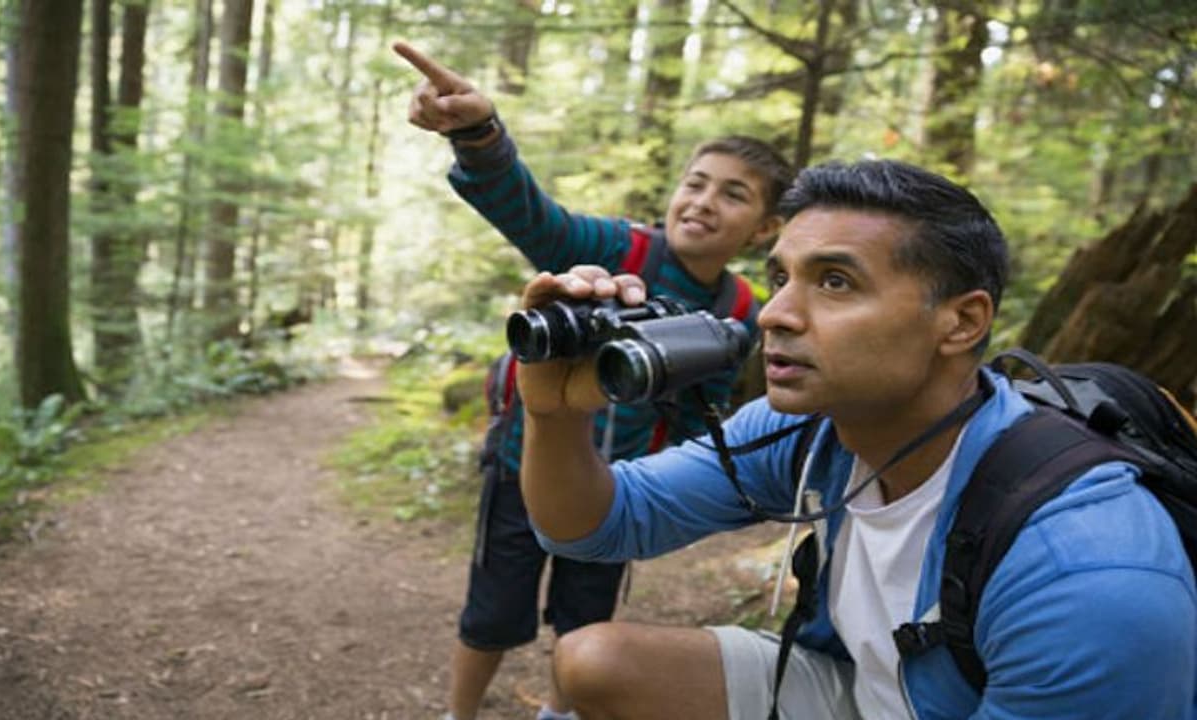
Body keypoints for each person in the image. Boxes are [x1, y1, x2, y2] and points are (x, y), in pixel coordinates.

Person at [512, 159, 1197, 719]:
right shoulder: (812, 430)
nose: (776, 314)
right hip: (870, 696)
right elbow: (596, 527)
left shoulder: (1086, 580)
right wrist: (552, 413)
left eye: (835, 282)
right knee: (592, 662)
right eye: (781, 277)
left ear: (961, 322)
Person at [393, 41, 794, 720]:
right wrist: (478, 134)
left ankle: (561, 713)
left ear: (764, 228)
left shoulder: (743, 313)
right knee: (492, 611)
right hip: (525, 467)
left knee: (585, 621)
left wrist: (681, 485)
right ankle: (459, 713)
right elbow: (529, 214)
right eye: (695, 182)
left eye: (733, 194)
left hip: (621, 489)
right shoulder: (619, 250)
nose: (702, 202)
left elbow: (705, 413)